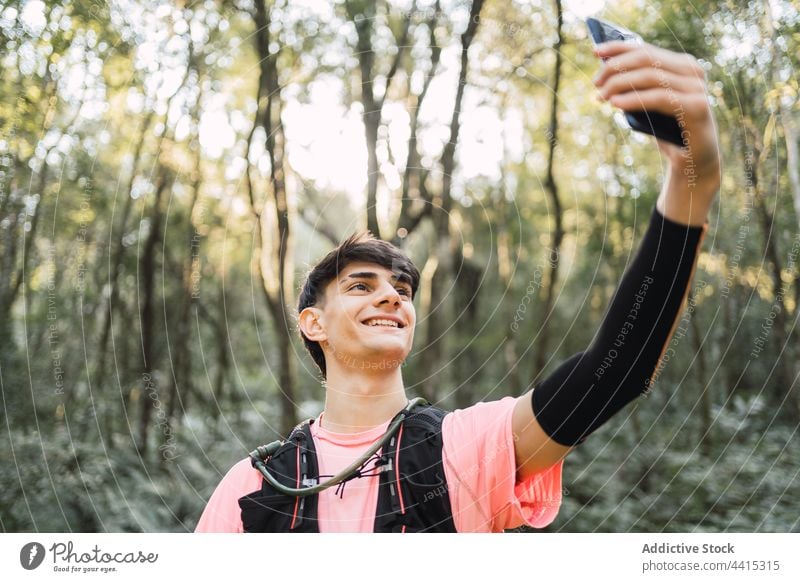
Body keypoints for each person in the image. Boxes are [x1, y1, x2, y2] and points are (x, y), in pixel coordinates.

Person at [195, 39, 720, 533]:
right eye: (360, 286)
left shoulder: (465, 449)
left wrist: (692, 180)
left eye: (402, 289)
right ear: (313, 323)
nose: (392, 296)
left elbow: (618, 367)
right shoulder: (252, 485)